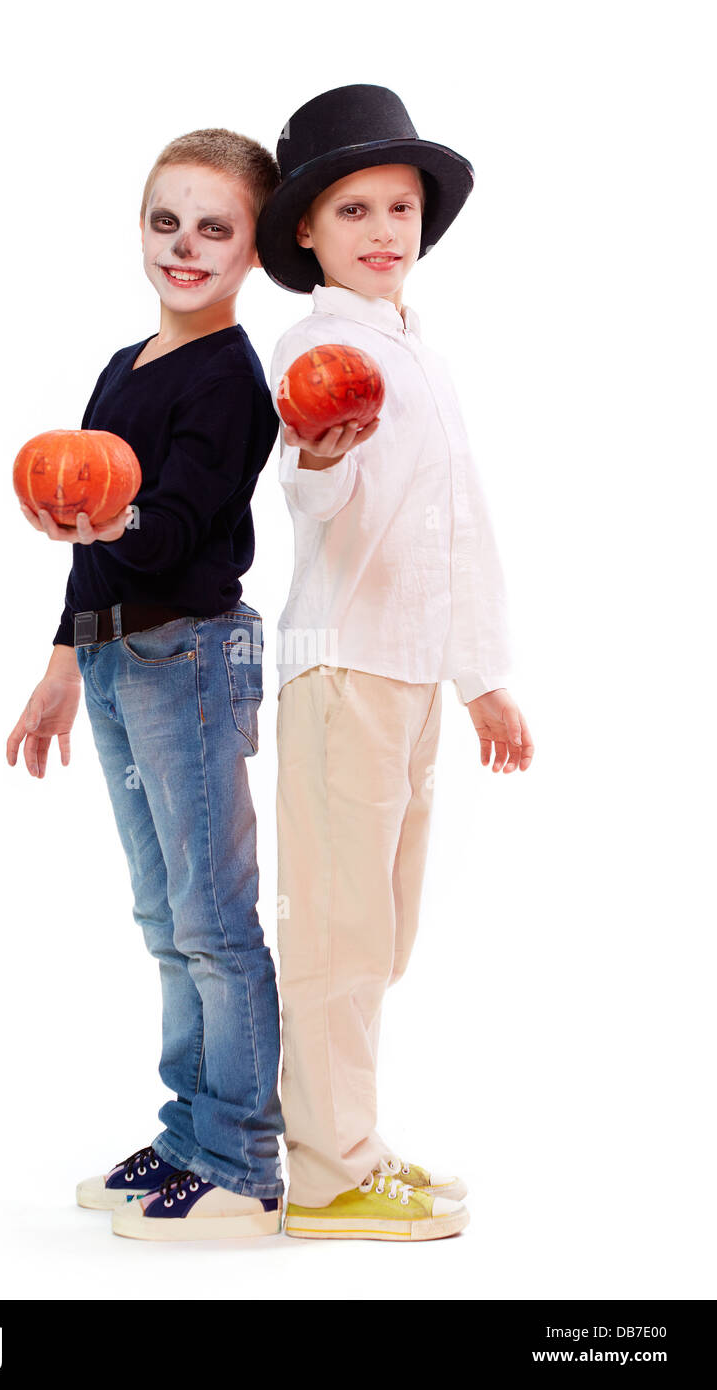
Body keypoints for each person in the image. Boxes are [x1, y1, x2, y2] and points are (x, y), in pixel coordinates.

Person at [256, 85, 535, 1241]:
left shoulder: (412, 349)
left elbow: (453, 526)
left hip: (409, 674)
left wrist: (481, 677)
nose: (383, 228)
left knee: (386, 924)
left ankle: (350, 1137)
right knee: (335, 925)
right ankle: (327, 1174)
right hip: (343, 671)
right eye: (353, 207)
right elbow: (316, 495)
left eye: (400, 206)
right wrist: (320, 455)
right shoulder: (318, 344)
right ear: (308, 233)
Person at [7, 129, 286, 1242]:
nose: (185, 245)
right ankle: (186, 1132)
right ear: (140, 228)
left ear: (253, 249)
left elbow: (167, 528)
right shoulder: (124, 367)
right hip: (123, 656)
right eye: (165, 221)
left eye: (213, 228)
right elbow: (93, 550)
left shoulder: (233, 380)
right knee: (162, 916)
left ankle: (242, 1162)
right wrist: (62, 664)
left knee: (215, 920)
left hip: (194, 658)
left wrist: (114, 518)